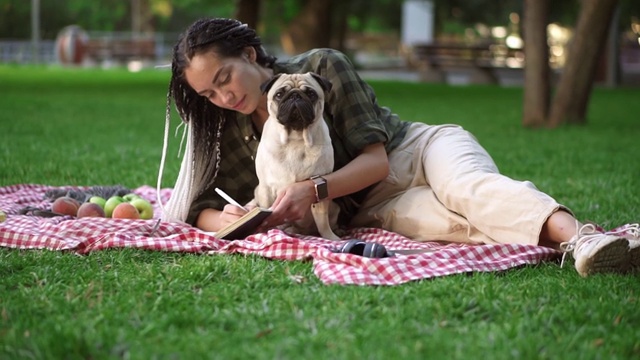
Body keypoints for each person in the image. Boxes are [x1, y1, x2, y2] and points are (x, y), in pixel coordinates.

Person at [156, 17, 639, 277]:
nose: (224, 97)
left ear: (248, 54)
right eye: (208, 94)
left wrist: (315, 190)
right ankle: (612, 246)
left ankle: (584, 239)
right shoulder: (233, 131)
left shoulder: (321, 67)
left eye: (225, 79)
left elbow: (376, 160)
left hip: (417, 150)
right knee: (461, 228)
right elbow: (198, 203)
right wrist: (228, 220)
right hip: (376, 208)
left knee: (468, 190)